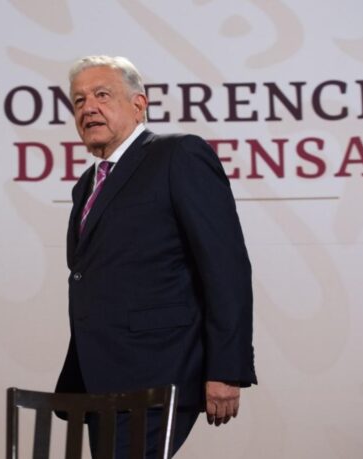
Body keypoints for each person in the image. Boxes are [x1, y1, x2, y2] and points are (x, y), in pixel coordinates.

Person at [55, 55, 257, 457]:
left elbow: (225, 266)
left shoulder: (178, 155)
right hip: (99, 378)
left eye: (101, 95)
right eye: (79, 100)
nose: (88, 108)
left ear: (139, 104)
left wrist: (226, 368)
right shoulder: (88, 184)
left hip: (158, 372)